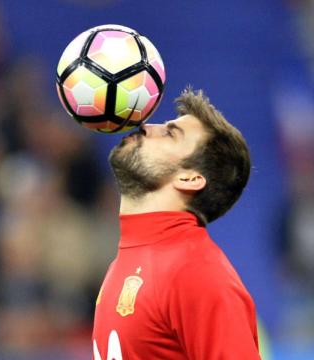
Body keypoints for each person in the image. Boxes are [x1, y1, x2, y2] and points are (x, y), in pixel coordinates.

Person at [92, 88, 260, 359]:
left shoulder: (195, 271)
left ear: (190, 178)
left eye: (170, 134)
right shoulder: (130, 261)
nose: (146, 126)